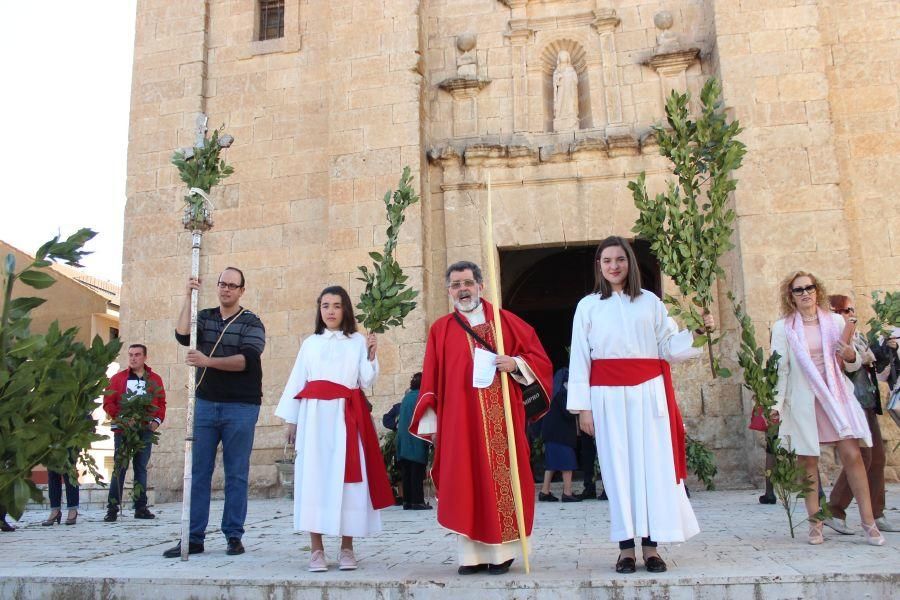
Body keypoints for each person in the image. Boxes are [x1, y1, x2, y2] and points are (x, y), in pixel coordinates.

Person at [567, 236, 714, 574]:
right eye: (607, 260)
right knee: (618, 472)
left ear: (629, 263)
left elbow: (668, 347)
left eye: (620, 259)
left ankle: (651, 547)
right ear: (599, 266)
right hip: (606, 395)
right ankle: (625, 549)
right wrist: (583, 408)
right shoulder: (588, 306)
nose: (614, 266)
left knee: (651, 469)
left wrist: (698, 333)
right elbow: (580, 358)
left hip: (649, 393)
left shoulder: (650, 302)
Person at [410, 261, 553, 576]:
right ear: (449, 291)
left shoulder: (506, 323)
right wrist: (434, 429)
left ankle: (502, 553)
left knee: (499, 484)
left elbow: (540, 361)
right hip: (460, 426)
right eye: (457, 285)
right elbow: (432, 381)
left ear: (480, 286)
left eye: (468, 283)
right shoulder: (441, 330)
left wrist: (514, 363)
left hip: (502, 422)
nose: (463, 290)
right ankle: (471, 556)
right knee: (464, 483)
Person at [275, 286, 392, 572]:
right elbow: (296, 382)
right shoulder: (310, 344)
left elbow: (365, 381)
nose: (330, 311)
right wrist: (292, 421)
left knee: (347, 480)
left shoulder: (356, 343)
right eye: (325, 305)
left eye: (336, 305)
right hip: (314, 419)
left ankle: (347, 548)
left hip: (345, 418)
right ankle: (316, 550)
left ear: (345, 310)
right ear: (319, 310)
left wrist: (372, 354)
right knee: (314, 478)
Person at [769, 271, 884, 546]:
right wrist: (775, 405)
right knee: (807, 461)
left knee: (852, 454)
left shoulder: (834, 321)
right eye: (798, 290)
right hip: (804, 399)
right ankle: (815, 524)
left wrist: (851, 355)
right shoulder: (783, 327)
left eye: (809, 287)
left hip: (835, 396)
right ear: (791, 296)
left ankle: (869, 523)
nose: (805, 293)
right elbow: (780, 369)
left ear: (817, 290)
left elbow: (853, 363)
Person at [163, 267, 266, 558]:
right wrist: (188, 295)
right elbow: (183, 335)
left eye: (233, 285)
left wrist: (207, 361)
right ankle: (193, 537)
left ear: (241, 290)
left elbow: (246, 360)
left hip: (241, 406)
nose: (226, 289)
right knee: (198, 473)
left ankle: (234, 535)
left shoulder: (252, 323)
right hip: (206, 404)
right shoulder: (204, 316)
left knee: (236, 474)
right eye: (223, 284)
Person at [823, 295, 898, 534]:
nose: (851, 314)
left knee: (877, 458)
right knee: (862, 457)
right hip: (850, 402)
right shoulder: (834, 337)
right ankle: (834, 510)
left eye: (852, 310)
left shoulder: (860, 336)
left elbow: (876, 367)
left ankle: (877, 513)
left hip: (867, 401)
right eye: (845, 310)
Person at [103, 343, 166, 522]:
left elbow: (161, 403)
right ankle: (112, 508)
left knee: (141, 468)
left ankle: (140, 507)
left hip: (145, 430)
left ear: (145, 357)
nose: (133, 358)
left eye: (137, 355)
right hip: (123, 430)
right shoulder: (117, 379)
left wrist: (156, 421)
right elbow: (108, 402)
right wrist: (122, 418)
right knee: (119, 468)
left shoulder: (155, 379)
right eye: (130, 354)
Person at [538, 367, 581, 503]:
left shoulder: (553, 391)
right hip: (561, 436)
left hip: (551, 434)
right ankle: (567, 493)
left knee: (552, 464)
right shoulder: (563, 393)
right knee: (567, 464)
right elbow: (568, 413)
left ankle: (544, 492)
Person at [396, 372, 431, 510]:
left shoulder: (406, 398)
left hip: (403, 440)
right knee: (417, 472)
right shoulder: (421, 397)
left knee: (407, 472)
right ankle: (417, 501)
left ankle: (407, 501)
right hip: (416, 439)